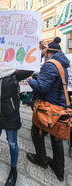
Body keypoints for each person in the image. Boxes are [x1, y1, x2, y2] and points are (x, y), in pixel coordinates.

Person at [0, 65, 33, 186]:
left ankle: (14, 169)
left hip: (10, 114)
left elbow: (31, 67)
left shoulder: (16, 74)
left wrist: (40, 51)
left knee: (12, 143)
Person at [26, 37, 70, 181]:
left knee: (36, 132)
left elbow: (42, 87)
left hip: (47, 107)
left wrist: (31, 80)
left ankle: (41, 159)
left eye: (45, 52)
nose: (43, 54)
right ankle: (59, 169)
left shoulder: (50, 64)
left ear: (50, 52)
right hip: (59, 106)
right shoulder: (62, 64)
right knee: (56, 137)